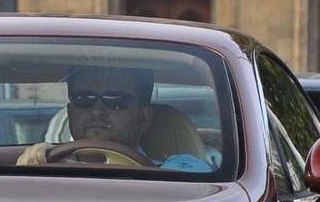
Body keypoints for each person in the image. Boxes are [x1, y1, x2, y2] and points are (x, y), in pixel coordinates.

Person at [17, 66, 212, 172]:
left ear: (144, 118)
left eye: (116, 100)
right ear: (70, 111)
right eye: (84, 99)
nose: (97, 111)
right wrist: (36, 163)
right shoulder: (46, 166)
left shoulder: (181, 168)